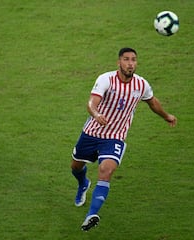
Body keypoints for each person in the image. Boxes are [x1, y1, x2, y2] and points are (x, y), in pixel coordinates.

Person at [71, 47, 177, 231]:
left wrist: (166, 116)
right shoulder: (106, 79)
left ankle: (91, 215)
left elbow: (152, 102)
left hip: (115, 138)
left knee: (106, 170)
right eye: (126, 59)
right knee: (75, 167)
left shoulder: (141, 85)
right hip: (91, 133)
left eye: (133, 60)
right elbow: (91, 102)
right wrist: (96, 114)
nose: (130, 63)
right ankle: (83, 183)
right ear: (118, 62)